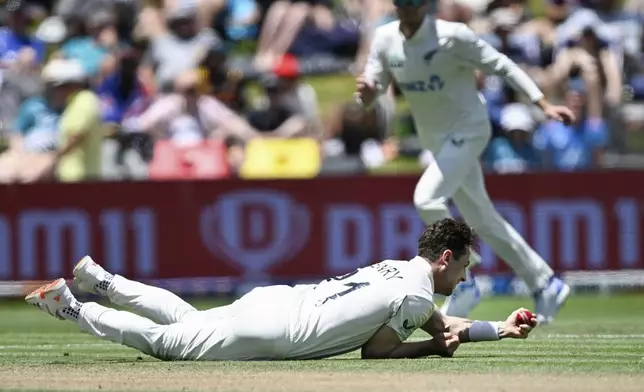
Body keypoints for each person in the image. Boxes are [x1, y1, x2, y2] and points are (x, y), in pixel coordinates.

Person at [26, 218, 536, 361]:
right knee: (166, 344)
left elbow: (443, 324)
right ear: (444, 259)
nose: (465, 278)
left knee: (183, 318)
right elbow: (380, 351)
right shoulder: (419, 295)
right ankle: (70, 306)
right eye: (464, 267)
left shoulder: (397, 270)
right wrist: (433, 348)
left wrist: (499, 330)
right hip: (278, 332)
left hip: (276, 299)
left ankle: (100, 279)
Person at [355, 0, 573, 324]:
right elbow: (373, 90)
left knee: (427, 199)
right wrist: (368, 93)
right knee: (483, 219)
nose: (409, 8)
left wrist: (542, 103)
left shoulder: (452, 36)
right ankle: (545, 282)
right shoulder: (386, 38)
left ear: (425, 5)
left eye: (415, 3)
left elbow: (502, 65)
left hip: (469, 129)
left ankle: (465, 282)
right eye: (403, 2)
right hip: (437, 141)